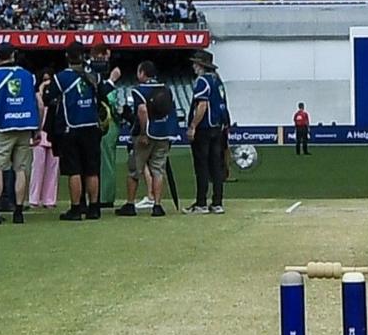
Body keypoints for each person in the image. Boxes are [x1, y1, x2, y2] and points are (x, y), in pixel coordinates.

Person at [0, 45, 42, 225]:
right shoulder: (29, 76)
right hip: (25, 125)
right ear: (14, 55)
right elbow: (39, 104)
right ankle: (19, 211)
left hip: (4, 126)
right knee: (20, 169)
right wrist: (37, 129)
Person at [47, 45, 109, 221]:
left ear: (67, 56)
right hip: (91, 126)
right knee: (92, 170)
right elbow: (104, 94)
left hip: (71, 127)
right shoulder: (94, 75)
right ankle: (94, 208)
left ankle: (76, 208)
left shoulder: (61, 77)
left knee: (74, 170)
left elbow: (49, 97)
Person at [117, 59, 178, 217]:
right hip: (163, 133)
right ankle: (157, 205)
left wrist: (143, 132)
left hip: (146, 135)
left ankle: (130, 204)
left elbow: (142, 111)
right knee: (158, 170)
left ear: (142, 73)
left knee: (134, 170)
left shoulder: (139, 91)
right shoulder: (166, 89)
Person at [186, 50, 232, 214]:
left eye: (195, 63)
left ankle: (201, 203)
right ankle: (217, 202)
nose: (193, 66)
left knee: (202, 166)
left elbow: (202, 106)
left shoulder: (203, 81)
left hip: (204, 128)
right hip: (217, 128)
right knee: (216, 166)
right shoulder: (217, 81)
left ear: (200, 65)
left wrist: (193, 126)